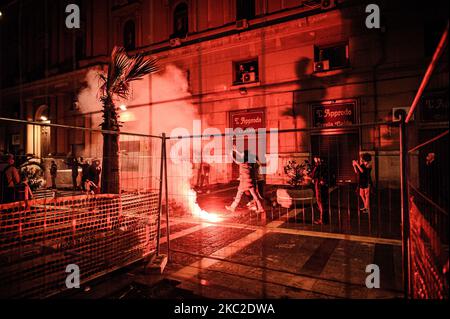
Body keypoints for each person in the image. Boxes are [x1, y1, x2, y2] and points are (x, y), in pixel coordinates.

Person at [225, 147, 265, 214]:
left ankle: (232, 207)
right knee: (255, 196)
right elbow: (243, 155)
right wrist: (236, 150)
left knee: (238, 195)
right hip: (250, 181)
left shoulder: (242, 162)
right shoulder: (251, 162)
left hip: (244, 182)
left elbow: (235, 159)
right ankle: (261, 208)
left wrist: (232, 152)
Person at [311, 156, 329, 225]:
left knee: (320, 201)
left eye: (315, 158)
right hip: (323, 186)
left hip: (319, 186)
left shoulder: (319, 166)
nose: (314, 160)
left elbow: (313, 175)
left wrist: (316, 165)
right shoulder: (325, 166)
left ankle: (322, 220)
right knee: (323, 202)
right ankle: (324, 219)